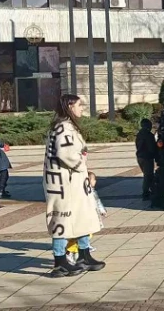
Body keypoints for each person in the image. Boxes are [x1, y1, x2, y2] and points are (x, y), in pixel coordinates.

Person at [44, 94, 105, 277]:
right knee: (62, 219)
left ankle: (84, 255)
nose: (82, 108)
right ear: (70, 106)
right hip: (65, 183)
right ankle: (60, 261)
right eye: (79, 105)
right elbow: (67, 154)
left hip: (71, 182)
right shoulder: (64, 127)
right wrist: (83, 167)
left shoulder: (63, 126)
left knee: (82, 216)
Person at [66, 171, 106, 265]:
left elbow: (97, 201)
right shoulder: (87, 191)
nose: (94, 182)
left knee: (86, 234)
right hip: (86, 217)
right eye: (93, 180)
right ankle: (70, 251)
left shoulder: (91, 191)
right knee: (84, 234)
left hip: (91, 216)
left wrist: (102, 210)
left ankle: (79, 251)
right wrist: (101, 210)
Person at [135, 118, 158, 201]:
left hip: (140, 156)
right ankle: (146, 193)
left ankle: (153, 190)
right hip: (147, 157)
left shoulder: (139, 134)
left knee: (148, 174)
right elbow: (152, 148)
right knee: (148, 175)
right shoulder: (149, 135)